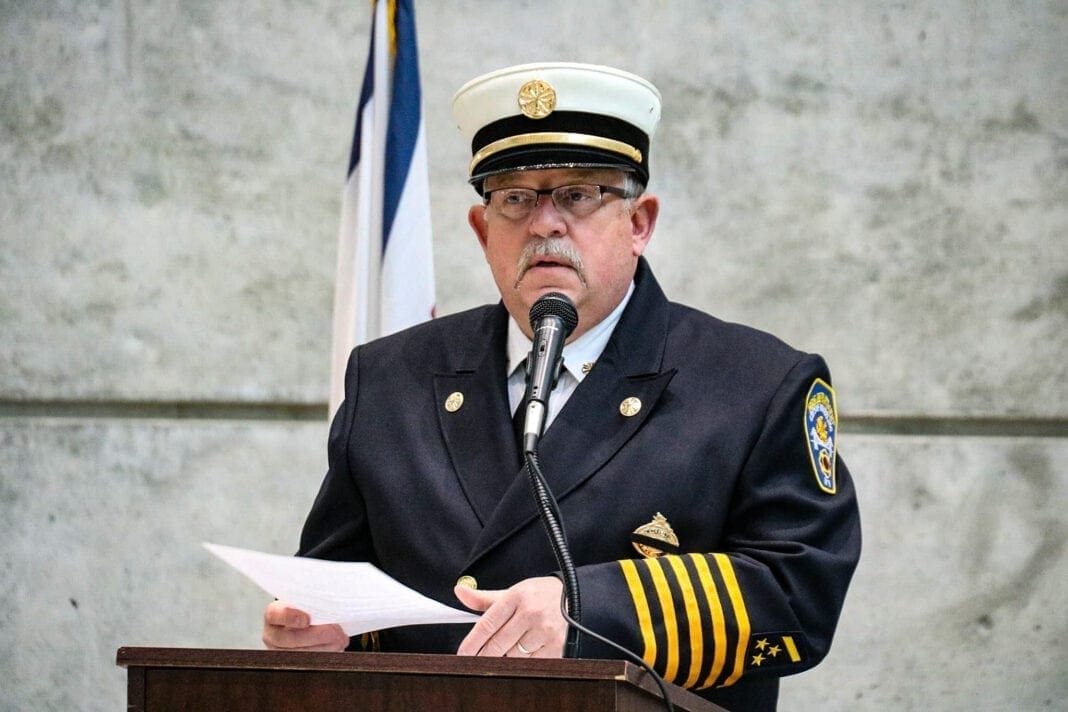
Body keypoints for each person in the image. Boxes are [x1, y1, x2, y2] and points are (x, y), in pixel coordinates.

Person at [263, 62, 861, 710]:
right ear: (481, 228)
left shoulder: (755, 385)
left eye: (577, 194)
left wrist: (585, 611)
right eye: (515, 198)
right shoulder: (389, 379)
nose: (544, 223)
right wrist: (318, 632)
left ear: (640, 223)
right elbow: (338, 585)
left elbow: (800, 589)